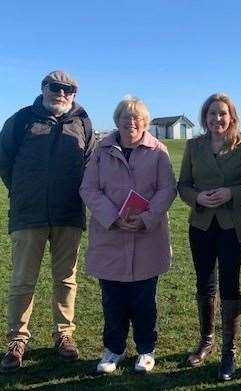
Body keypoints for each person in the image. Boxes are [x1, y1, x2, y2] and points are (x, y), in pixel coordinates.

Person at [0, 70, 96, 371]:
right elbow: (4, 162)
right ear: (43, 88)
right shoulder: (21, 120)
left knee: (66, 279)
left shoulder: (83, 122)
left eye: (70, 89)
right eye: (56, 87)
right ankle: (17, 339)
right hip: (29, 214)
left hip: (69, 213)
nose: (62, 93)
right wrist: (24, 191)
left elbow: (90, 164)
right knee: (22, 280)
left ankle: (64, 334)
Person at [80, 96, 176, 373]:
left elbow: (167, 189)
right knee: (112, 301)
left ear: (145, 122)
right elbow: (89, 188)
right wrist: (112, 216)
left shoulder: (159, 151)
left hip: (147, 238)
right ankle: (113, 350)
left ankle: (146, 350)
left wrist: (146, 219)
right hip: (110, 237)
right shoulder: (102, 150)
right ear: (117, 120)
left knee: (145, 301)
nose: (131, 121)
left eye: (136, 117)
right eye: (125, 116)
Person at [178, 93, 241, 381]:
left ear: (231, 117)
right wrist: (197, 197)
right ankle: (206, 339)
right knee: (204, 282)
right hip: (201, 225)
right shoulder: (193, 146)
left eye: (222, 114)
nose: (217, 118)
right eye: (212, 113)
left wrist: (231, 193)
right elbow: (183, 185)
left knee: (230, 284)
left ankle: (229, 350)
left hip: (231, 225)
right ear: (205, 117)